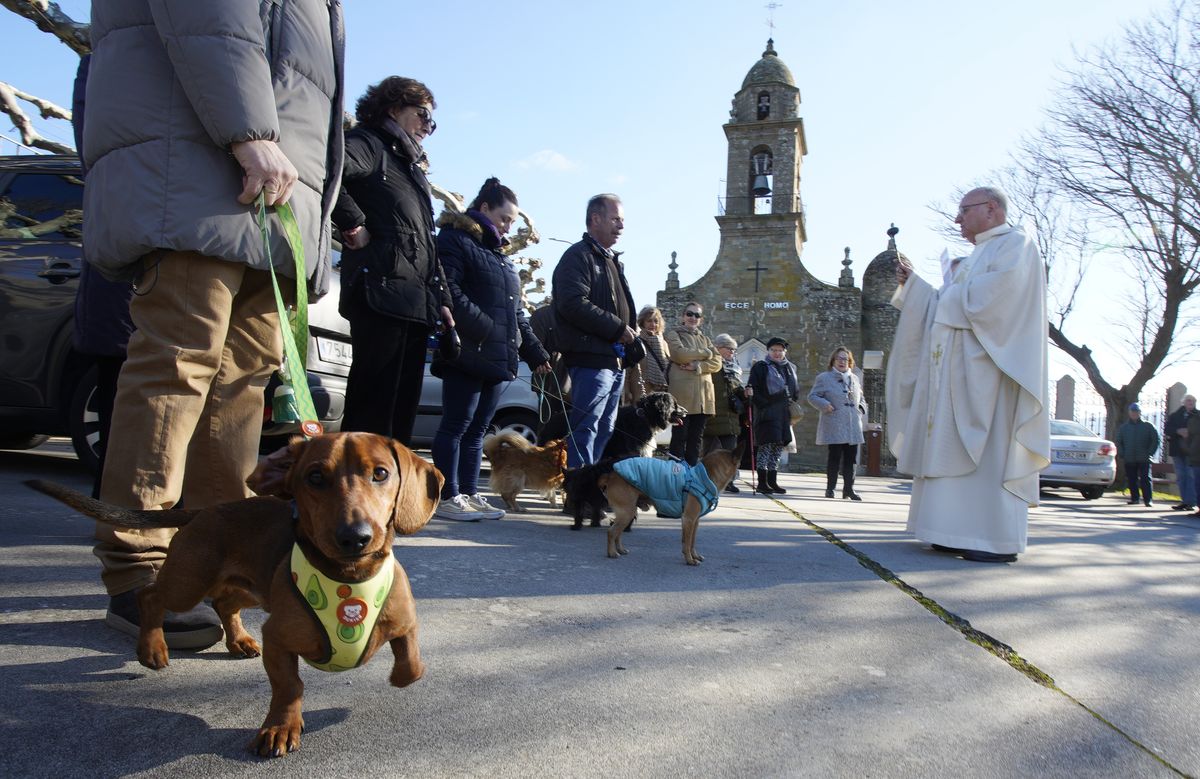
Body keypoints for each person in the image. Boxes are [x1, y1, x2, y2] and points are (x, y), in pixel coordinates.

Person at [82, 0, 345, 645]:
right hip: (202, 170)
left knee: (242, 383)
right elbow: (210, 19)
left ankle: (216, 561)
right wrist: (247, 131)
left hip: (273, 196)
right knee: (177, 364)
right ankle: (140, 563)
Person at [887, 186, 1049, 564]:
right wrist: (917, 289)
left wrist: (938, 296)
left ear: (991, 209)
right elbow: (948, 305)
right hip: (955, 376)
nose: (957, 219)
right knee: (947, 447)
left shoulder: (1015, 246)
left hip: (988, 377)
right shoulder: (976, 256)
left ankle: (993, 538)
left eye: (963, 210)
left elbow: (992, 302)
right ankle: (949, 531)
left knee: (987, 454)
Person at [333, 76, 454, 446]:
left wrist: (444, 300)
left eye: (432, 121)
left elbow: (425, 245)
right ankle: (352, 495)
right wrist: (352, 223)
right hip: (378, 293)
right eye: (422, 116)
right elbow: (327, 169)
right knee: (371, 412)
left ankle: (389, 499)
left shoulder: (410, 169)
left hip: (414, 304)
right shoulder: (369, 144)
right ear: (392, 108)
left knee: (400, 416)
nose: (428, 128)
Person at [431, 178, 551, 521]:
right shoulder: (455, 240)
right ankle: (446, 495)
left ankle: (469, 491)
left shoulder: (500, 257)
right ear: (483, 208)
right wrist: (484, 326)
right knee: (456, 425)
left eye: (512, 221)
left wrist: (535, 351)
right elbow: (448, 287)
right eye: (504, 218)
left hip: (497, 355)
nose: (508, 226)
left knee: (477, 431)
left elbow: (515, 314)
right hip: (468, 350)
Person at [551, 194, 638, 468]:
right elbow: (572, 303)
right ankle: (578, 490)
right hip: (590, 359)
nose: (621, 227)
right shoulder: (578, 256)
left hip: (614, 360)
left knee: (604, 428)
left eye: (622, 220)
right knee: (586, 427)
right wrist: (617, 328)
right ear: (595, 219)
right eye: (615, 219)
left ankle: (591, 487)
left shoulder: (611, 260)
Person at [666, 303, 724, 466]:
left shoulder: (705, 339)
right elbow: (679, 354)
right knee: (679, 436)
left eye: (697, 315)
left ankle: (691, 472)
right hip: (682, 396)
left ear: (701, 319)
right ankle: (674, 471)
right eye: (689, 314)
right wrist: (706, 353)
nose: (693, 318)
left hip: (703, 398)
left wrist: (698, 366)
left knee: (696, 439)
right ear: (683, 316)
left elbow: (718, 362)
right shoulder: (673, 334)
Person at [808, 346, 867, 500]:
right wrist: (824, 404)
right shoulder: (824, 378)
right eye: (839, 358)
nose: (842, 362)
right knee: (834, 457)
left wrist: (860, 409)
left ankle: (849, 489)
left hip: (853, 424)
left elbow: (861, 398)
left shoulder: (854, 378)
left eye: (845, 359)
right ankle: (830, 489)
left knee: (851, 459)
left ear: (850, 362)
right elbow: (813, 396)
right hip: (834, 422)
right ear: (833, 361)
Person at [748, 337, 799, 495]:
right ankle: (762, 482)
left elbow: (794, 389)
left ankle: (772, 481)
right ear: (768, 351)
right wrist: (764, 404)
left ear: (785, 352)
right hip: (766, 413)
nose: (777, 353)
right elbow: (753, 388)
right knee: (766, 447)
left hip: (783, 414)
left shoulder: (788, 368)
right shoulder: (761, 367)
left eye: (780, 350)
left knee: (778, 448)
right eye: (773, 350)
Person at [703, 333, 747, 493]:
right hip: (712, 415)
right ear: (718, 348)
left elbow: (736, 390)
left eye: (734, 350)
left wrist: (745, 393)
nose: (732, 352)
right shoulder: (711, 365)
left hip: (730, 417)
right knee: (708, 452)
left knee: (731, 453)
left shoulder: (734, 368)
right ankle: (704, 479)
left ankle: (728, 481)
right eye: (729, 349)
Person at [1115, 402, 1160, 507]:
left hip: (1144, 458)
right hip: (1129, 458)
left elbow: (1155, 440)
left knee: (1145, 480)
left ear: (1140, 413)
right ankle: (1134, 498)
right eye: (1132, 411)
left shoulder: (1148, 426)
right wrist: (1122, 453)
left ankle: (1148, 500)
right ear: (1129, 413)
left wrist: (1150, 453)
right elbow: (1119, 441)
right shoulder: (1124, 428)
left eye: (1137, 412)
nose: (1134, 413)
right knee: (1132, 479)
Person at [1164, 395, 1196, 511]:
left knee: (1190, 475)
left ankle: (1191, 502)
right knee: (1181, 476)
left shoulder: (1197, 415)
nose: (1190, 403)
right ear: (1183, 402)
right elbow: (1167, 430)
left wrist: (1190, 432)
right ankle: (1184, 501)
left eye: (1193, 401)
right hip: (1177, 451)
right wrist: (1178, 431)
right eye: (1188, 400)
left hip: (1193, 452)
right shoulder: (1175, 416)